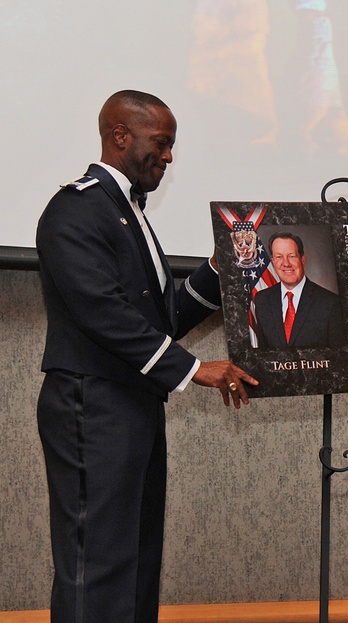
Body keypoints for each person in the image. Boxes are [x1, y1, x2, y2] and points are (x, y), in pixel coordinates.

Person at [35, 89, 258, 623]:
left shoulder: (125, 212)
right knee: (98, 564)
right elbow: (103, 314)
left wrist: (217, 267)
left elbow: (159, 321)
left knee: (135, 560)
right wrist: (193, 369)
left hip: (128, 406)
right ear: (120, 136)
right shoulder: (77, 209)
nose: (170, 156)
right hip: (90, 407)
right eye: (162, 143)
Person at [253, 231, 346, 349]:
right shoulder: (262, 300)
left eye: (291, 256)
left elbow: (338, 357)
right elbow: (263, 354)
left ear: (302, 259)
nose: (286, 263)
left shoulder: (330, 303)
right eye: (279, 257)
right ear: (273, 261)